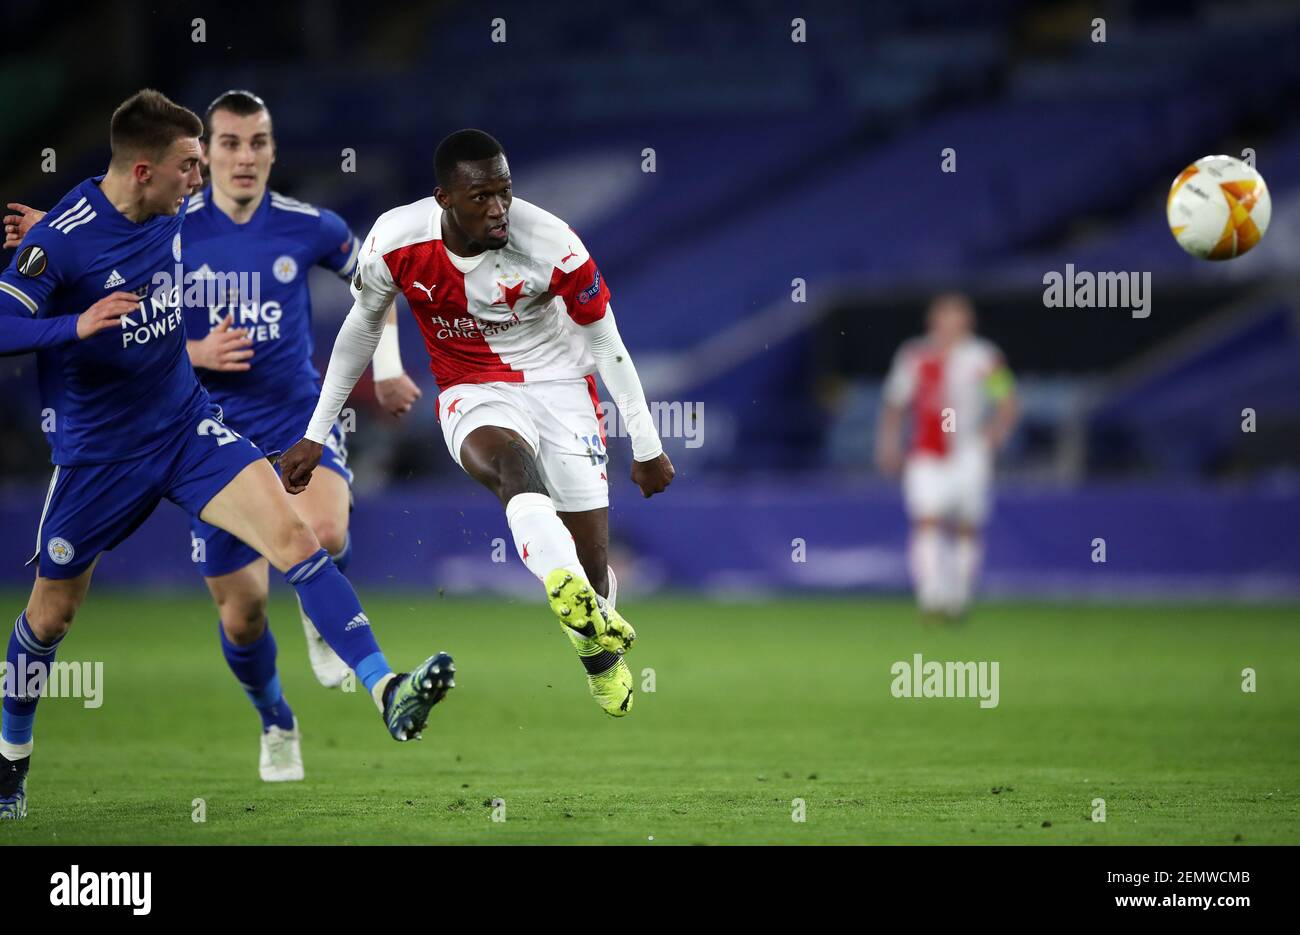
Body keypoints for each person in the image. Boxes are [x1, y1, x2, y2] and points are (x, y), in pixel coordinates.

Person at [0, 89, 452, 821]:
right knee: (52, 617)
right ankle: (9, 767)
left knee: (302, 537)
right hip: (99, 455)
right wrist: (74, 323)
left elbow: (128, 233)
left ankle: (384, 687)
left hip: (187, 427)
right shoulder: (64, 242)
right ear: (146, 169)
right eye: (192, 163)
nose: (204, 174)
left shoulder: (178, 213)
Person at [280, 129, 674, 717]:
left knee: (595, 567)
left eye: (504, 192)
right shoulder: (395, 240)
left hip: (562, 387)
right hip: (472, 389)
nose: (497, 209)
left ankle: (595, 644)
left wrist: (646, 443)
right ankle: (561, 583)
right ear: (444, 198)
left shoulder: (553, 244)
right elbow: (361, 329)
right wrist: (315, 432)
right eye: (480, 197)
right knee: (512, 469)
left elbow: (606, 342)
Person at [876, 293, 1018, 621]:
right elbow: (895, 403)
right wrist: (888, 444)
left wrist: (995, 435)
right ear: (932, 320)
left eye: (957, 316)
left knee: (967, 526)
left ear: (968, 321)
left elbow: (1007, 400)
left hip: (968, 451)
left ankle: (959, 596)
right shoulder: (914, 355)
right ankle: (931, 596)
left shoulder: (984, 357)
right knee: (926, 519)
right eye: (944, 315)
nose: (951, 323)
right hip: (926, 452)